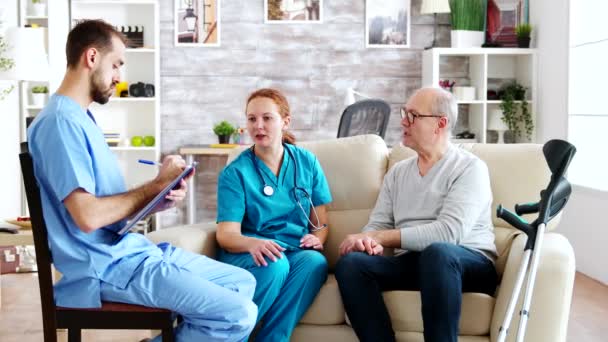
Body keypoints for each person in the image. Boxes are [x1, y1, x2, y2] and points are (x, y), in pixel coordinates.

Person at [27, 20, 257, 342]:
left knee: (242, 283)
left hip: (128, 253)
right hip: (103, 267)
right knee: (237, 314)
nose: (121, 76)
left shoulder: (81, 119)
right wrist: (154, 184)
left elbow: (107, 212)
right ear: (92, 57)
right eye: (117, 64)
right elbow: (88, 216)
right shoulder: (60, 123)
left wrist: (155, 198)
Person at [335, 87, 498, 342]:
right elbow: (377, 224)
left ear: (440, 124)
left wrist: (381, 237)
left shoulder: (470, 168)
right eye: (404, 113)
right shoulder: (398, 172)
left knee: (438, 252)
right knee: (351, 264)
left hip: (467, 261)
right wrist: (367, 240)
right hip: (416, 262)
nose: (403, 121)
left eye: (412, 115)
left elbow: (449, 233)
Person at [216, 88, 332, 341]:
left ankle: (272, 338)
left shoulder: (307, 162)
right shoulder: (236, 173)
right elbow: (226, 235)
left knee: (315, 262)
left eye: (267, 118)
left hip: (292, 249)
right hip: (249, 252)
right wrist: (254, 243)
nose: (259, 126)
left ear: (285, 122)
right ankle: (228, 335)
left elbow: (320, 222)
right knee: (274, 263)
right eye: (252, 119)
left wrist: (318, 239)